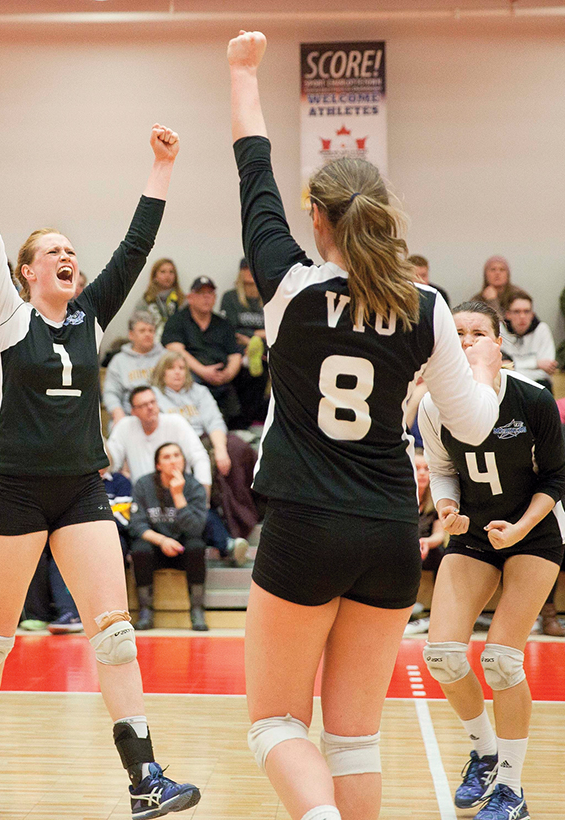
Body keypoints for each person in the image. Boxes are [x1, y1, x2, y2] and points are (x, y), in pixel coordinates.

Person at [227, 30, 501, 820]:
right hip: (388, 531)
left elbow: (254, 171)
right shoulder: (431, 306)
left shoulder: (288, 288)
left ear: (317, 218)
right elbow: (474, 427)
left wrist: (243, 75)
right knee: (354, 739)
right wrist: (484, 372)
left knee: (276, 722)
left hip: (306, 527)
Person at [0, 105, 199, 820]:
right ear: (28, 271)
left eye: (71, 250)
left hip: (82, 489)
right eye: (51, 252)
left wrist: (162, 164)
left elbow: (135, 246)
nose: (68, 257)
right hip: (14, 492)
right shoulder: (5, 315)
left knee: (115, 633)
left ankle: (144, 777)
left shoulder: (91, 314)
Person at [419, 301, 565, 820]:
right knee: (441, 656)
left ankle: (511, 788)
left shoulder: (532, 398)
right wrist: (448, 508)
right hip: (476, 533)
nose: (465, 340)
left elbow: (555, 478)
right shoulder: (434, 406)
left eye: (477, 332)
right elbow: (441, 471)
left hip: (533, 531)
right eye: (455, 332)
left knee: (501, 661)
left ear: (497, 344)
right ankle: (482, 752)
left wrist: (521, 528)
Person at [149, 351, 259, 550]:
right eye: (171, 368)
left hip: (205, 439)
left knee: (237, 448)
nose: (177, 373)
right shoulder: (154, 395)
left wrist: (220, 449)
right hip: (176, 447)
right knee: (212, 465)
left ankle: (256, 506)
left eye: (181, 368)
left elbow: (214, 421)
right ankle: (235, 524)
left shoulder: (199, 391)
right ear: (161, 372)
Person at [129, 442, 209, 632]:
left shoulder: (194, 486)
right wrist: (162, 540)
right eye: (166, 457)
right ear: (158, 465)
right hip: (155, 548)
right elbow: (136, 524)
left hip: (183, 549)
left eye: (177, 455)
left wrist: (178, 495)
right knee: (139, 548)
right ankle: (145, 611)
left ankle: (197, 610)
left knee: (197, 545)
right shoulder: (143, 484)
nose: (173, 461)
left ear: (183, 460)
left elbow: (197, 528)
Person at [161, 275, 244, 428]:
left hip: (220, 374)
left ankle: (242, 428)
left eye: (210, 294)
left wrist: (227, 374)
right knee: (189, 378)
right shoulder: (177, 320)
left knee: (250, 376)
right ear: (190, 297)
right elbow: (174, 349)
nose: (206, 298)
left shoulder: (223, 324)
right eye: (201, 294)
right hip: (192, 373)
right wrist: (204, 371)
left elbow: (235, 354)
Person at [107, 385, 212, 492]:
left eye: (153, 402)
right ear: (133, 411)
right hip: (143, 497)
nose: (150, 407)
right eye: (144, 405)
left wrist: (203, 495)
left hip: (178, 492)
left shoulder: (176, 422)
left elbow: (199, 458)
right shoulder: (124, 427)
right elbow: (110, 464)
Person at [219, 258, 269, 427]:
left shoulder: (269, 297)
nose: (248, 272)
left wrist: (254, 337)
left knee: (261, 362)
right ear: (240, 272)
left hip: (265, 350)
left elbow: (277, 327)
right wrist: (258, 335)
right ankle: (242, 421)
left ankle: (256, 420)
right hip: (239, 349)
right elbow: (229, 328)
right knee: (244, 365)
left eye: (251, 268)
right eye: (245, 268)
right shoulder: (230, 297)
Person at [405, 448, 444, 636]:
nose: (422, 473)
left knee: (446, 557)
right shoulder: (402, 497)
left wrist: (427, 542)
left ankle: (441, 615)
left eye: (427, 469)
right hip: (403, 548)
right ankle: (405, 608)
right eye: (417, 468)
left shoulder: (436, 500)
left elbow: (439, 535)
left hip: (426, 549)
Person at [103, 310, 165, 426]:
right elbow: (110, 393)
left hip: (162, 414)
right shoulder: (119, 361)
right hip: (130, 415)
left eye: (151, 330)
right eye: (142, 330)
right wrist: (118, 413)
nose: (148, 334)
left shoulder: (166, 357)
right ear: (131, 335)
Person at [501, 292, 557, 390]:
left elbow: (546, 371)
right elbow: (502, 368)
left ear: (532, 314)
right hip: (511, 385)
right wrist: (536, 364)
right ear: (508, 315)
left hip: (538, 385)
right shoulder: (500, 330)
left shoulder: (542, 329)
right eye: (517, 312)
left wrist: (514, 366)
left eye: (526, 311)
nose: (522, 316)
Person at [140, 258, 185, 343]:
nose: (167, 276)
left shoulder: (182, 299)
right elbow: (137, 324)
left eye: (171, 272)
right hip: (151, 343)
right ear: (154, 276)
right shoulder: (146, 299)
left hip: (177, 342)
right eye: (163, 272)